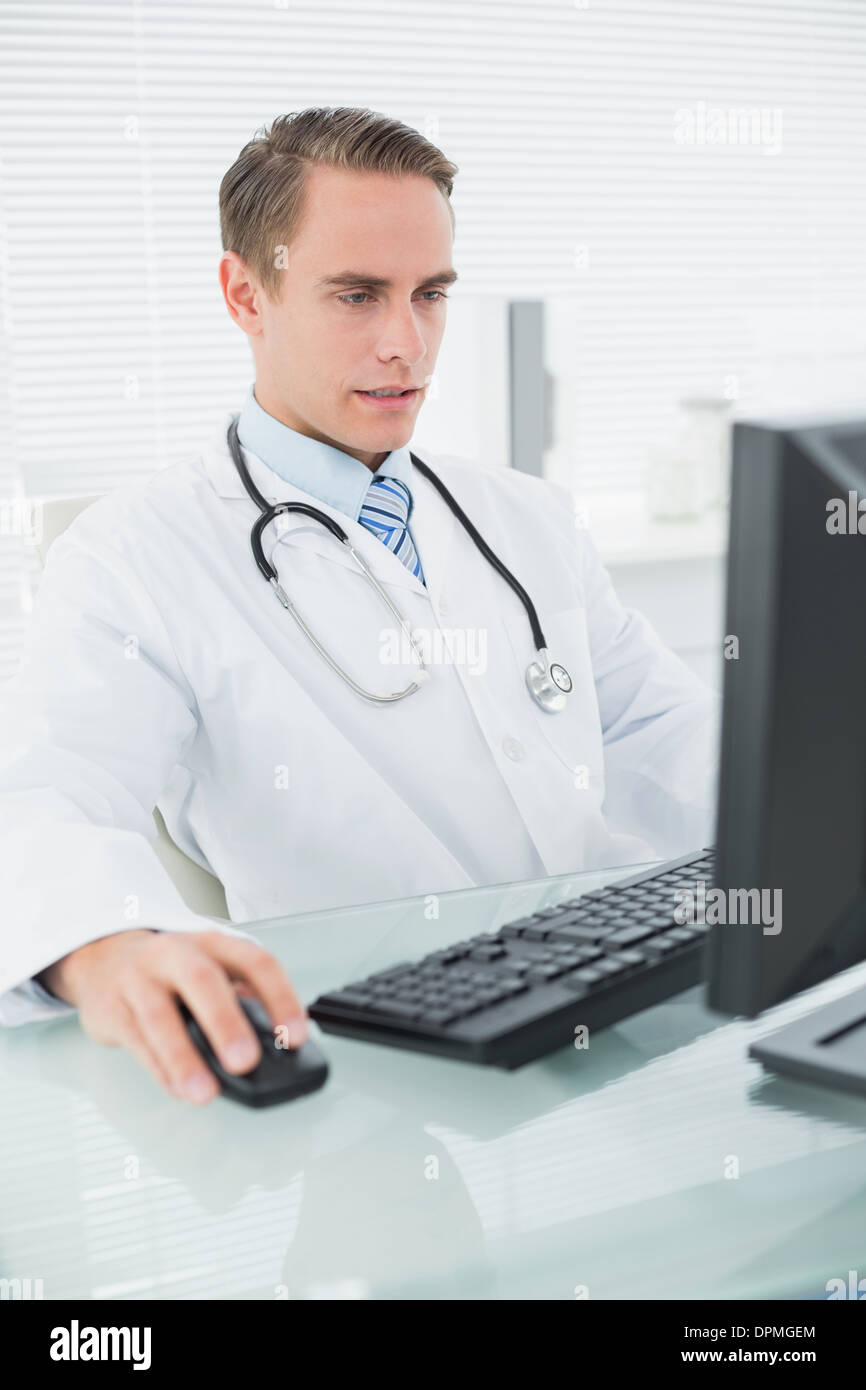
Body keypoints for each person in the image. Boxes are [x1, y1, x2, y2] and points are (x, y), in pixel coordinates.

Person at [0, 106, 721, 1105]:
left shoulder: (522, 516)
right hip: (370, 1065)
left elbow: (654, 725)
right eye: (356, 294)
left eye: (430, 293)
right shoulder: (135, 555)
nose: (406, 342)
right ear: (244, 294)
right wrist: (105, 946)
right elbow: (46, 798)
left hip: (608, 1008)